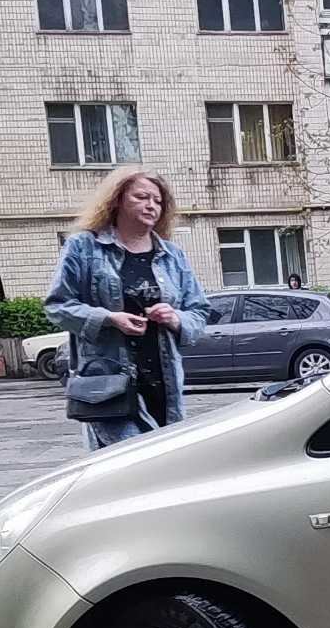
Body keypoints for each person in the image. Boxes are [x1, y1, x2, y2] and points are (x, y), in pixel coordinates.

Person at [44, 167, 211, 449]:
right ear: (117, 200)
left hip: (163, 383)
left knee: (161, 466)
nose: (151, 206)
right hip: (109, 386)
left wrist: (175, 318)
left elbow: (199, 311)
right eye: (142, 197)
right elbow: (57, 306)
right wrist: (108, 318)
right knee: (130, 467)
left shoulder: (172, 255)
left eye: (158, 201)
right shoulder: (85, 247)